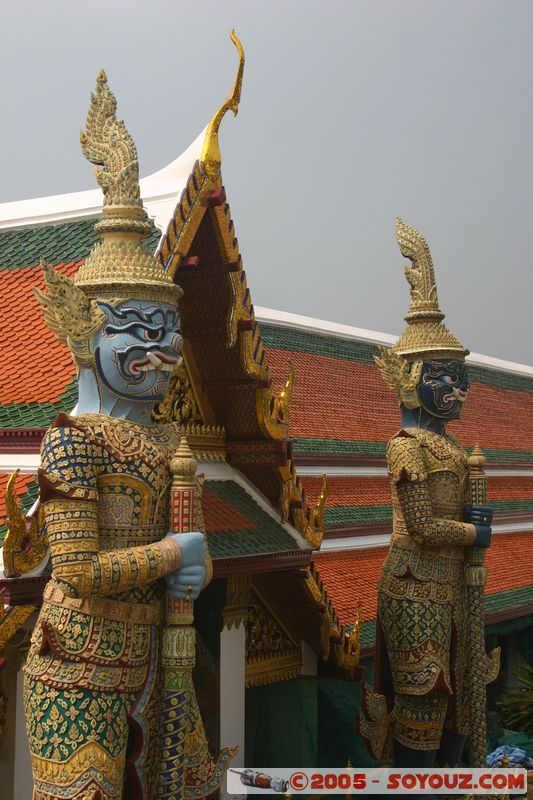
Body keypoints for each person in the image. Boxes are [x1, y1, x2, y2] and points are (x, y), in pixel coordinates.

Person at [25, 70, 206, 800]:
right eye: (137, 329)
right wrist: (174, 553)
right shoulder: (70, 440)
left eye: (168, 329)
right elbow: (76, 571)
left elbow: (187, 565)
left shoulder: (167, 447)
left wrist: (193, 566)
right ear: (82, 329)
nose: (161, 350)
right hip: (76, 664)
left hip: (157, 656)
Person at [366, 218, 493, 771]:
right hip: (414, 583)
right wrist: (474, 532)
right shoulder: (405, 447)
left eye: (461, 375)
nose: (458, 388)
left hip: (455, 585)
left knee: (463, 700)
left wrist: (474, 531)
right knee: (424, 698)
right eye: (444, 375)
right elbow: (421, 528)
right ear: (410, 378)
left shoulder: (459, 452)